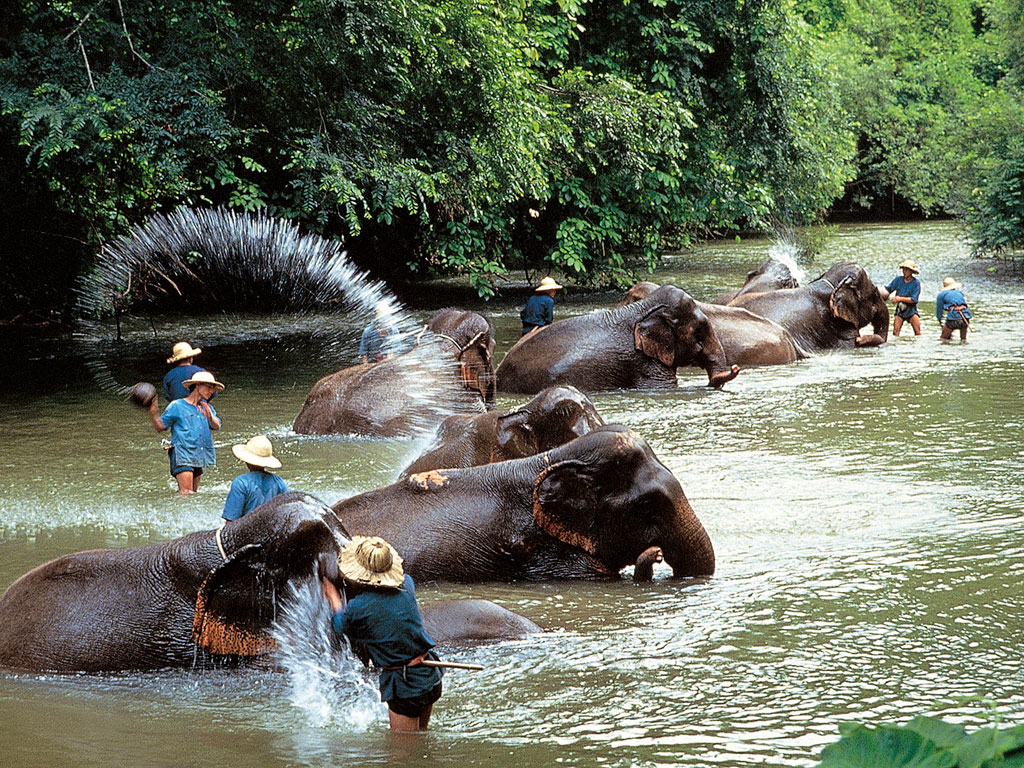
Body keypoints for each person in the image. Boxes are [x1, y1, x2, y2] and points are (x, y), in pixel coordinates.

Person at [321, 537, 443, 732]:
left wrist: (333, 597)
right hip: (428, 674)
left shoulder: (360, 607)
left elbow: (339, 625)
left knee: (402, 757)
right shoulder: (407, 584)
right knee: (421, 738)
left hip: (405, 685)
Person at [148, 371, 223, 496]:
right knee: (186, 493)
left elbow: (217, 425)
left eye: (213, 388)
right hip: (182, 453)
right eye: (209, 387)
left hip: (198, 454)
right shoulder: (177, 406)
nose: (212, 391)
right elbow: (161, 427)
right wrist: (153, 413)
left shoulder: (207, 408)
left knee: (192, 494)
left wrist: (210, 417)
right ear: (198, 385)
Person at [222, 435, 289, 522]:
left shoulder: (241, 483)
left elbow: (231, 520)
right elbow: (287, 510)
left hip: (246, 532)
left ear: (247, 461)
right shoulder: (278, 482)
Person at [882, 260, 922, 336]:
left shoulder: (916, 283)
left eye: (906, 270)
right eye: (903, 269)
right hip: (900, 310)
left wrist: (899, 299)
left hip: (911, 310)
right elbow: (888, 290)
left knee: (918, 332)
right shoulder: (898, 280)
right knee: (895, 332)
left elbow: (914, 300)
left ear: (911, 271)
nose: (904, 271)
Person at [935, 276, 972, 342]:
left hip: (954, 317)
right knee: (963, 340)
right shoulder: (959, 293)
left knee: (943, 339)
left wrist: (941, 322)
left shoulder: (941, 294)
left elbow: (939, 311)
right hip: (965, 316)